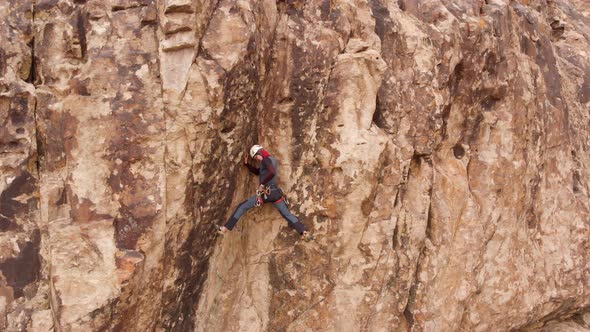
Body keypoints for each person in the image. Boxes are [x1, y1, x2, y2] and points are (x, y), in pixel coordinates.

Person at [216, 145, 312, 240]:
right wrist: (247, 165)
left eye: (256, 156)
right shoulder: (272, 160)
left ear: (260, 152)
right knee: (287, 214)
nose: (257, 159)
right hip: (276, 194)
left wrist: (262, 184)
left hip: (267, 193)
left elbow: (272, 172)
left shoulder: (266, 161)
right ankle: (303, 231)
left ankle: (224, 228)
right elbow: (259, 172)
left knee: (243, 206)